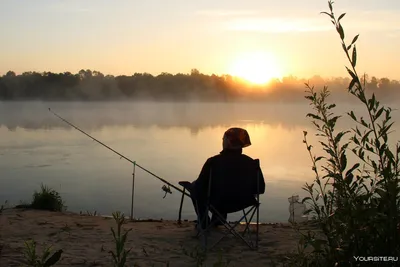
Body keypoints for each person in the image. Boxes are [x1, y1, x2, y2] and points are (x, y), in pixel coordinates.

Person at [188, 127, 266, 229]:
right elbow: (260, 189)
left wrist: (191, 187)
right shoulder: (252, 163)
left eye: (223, 139)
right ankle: (218, 219)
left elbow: (200, 186)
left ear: (228, 142)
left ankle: (204, 222)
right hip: (244, 202)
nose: (222, 141)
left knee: (195, 187)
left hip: (217, 202)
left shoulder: (213, 162)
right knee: (221, 191)